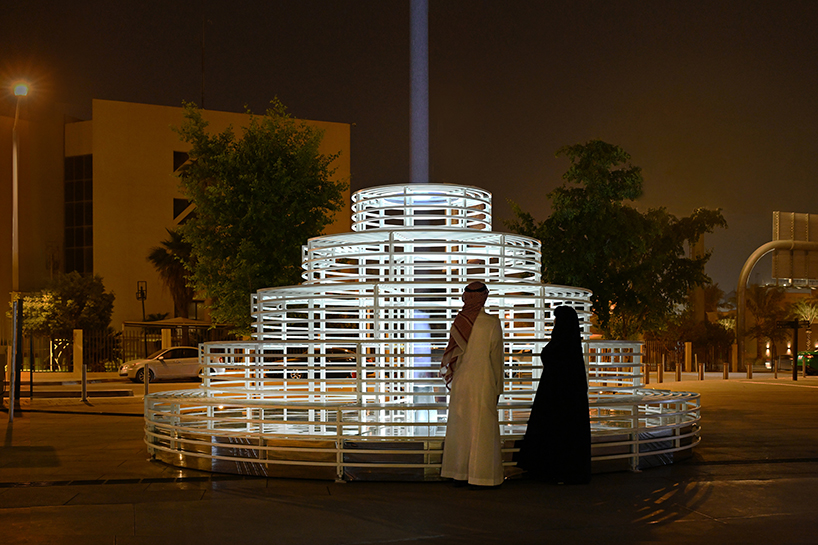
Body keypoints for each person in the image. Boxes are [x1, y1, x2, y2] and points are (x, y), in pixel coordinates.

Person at [440, 281, 505, 488]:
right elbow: (496, 359)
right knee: (482, 429)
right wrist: (498, 387)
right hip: (484, 380)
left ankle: (457, 472)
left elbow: (452, 357)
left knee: (461, 427)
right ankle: (482, 476)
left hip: (462, 381)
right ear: (484, 296)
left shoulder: (459, 322)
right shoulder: (492, 323)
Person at [516, 305, 591, 484]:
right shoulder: (570, 344)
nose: (554, 323)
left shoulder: (561, 344)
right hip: (559, 395)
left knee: (554, 431)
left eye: (557, 319)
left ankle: (552, 469)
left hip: (554, 396)